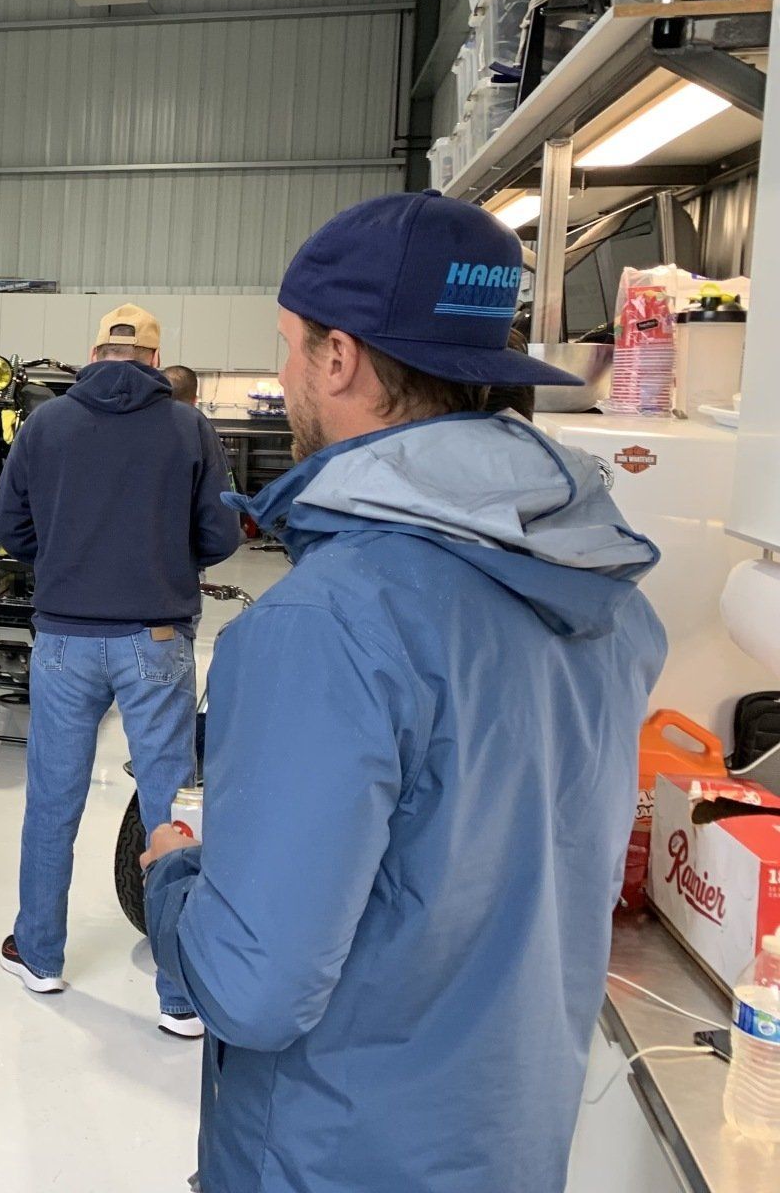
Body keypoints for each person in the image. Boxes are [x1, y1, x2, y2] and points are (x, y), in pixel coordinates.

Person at [142, 191, 668, 1193]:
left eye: (291, 348)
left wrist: (175, 877)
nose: (288, 373)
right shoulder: (601, 592)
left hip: (334, 1154)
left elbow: (256, 990)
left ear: (337, 359)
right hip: (508, 1141)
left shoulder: (326, 625)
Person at [0, 303, 240, 1036]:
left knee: (52, 798)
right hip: (155, 636)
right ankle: (180, 993)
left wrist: (68, 561)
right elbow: (220, 531)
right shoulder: (188, 427)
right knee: (169, 806)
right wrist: (165, 558)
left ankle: (38, 955)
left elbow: (11, 528)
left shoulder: (47, 423)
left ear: (93, 352)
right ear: (157, 362)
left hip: (65, 638)